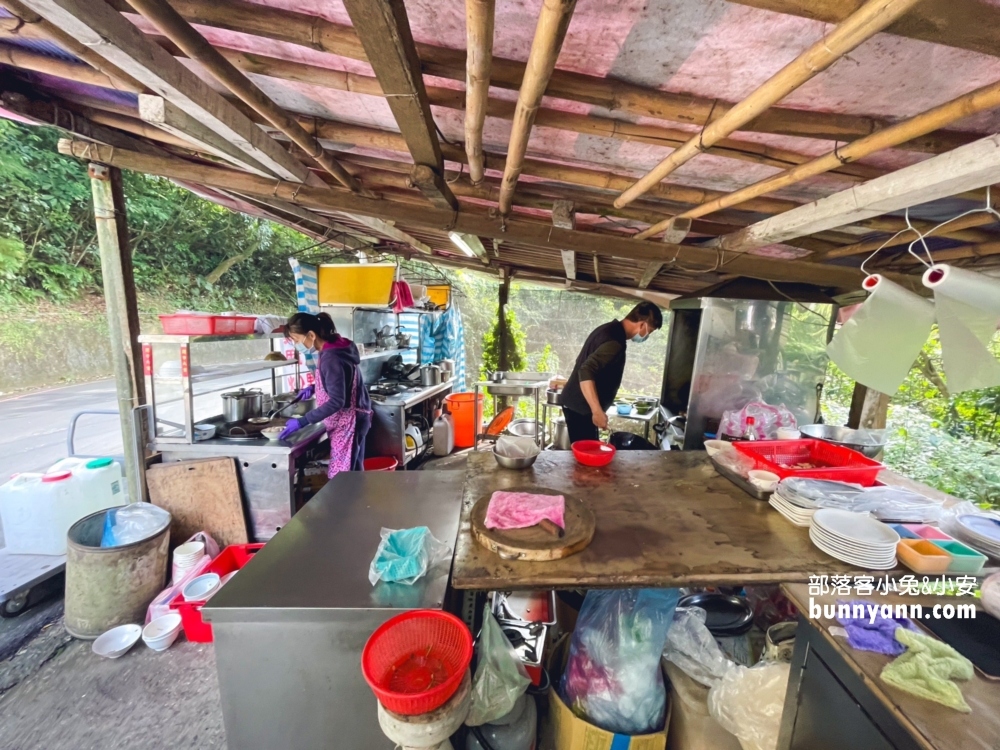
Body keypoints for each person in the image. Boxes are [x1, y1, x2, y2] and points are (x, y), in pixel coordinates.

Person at [278, 312, 372, 476]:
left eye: (297, 340)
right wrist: (315, 387)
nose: (296, 345)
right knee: (353, 471)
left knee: (343, 477)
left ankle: (346, 502)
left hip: (348, 421)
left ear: (311, 335)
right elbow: (340, 379)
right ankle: (356, 501)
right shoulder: (334, 347)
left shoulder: (331, 357)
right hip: (354, 417)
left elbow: (337, 401)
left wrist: (303, 421)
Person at [559, 301, 663, 444]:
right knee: (586, 457)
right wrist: (597, 411)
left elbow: (583, 361)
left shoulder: (607, 329)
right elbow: (585, 370)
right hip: (581, 408)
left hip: (578, 406)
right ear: (642, 325)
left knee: (588, 451)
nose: (646, 336)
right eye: (649, 332)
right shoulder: (615, 342)